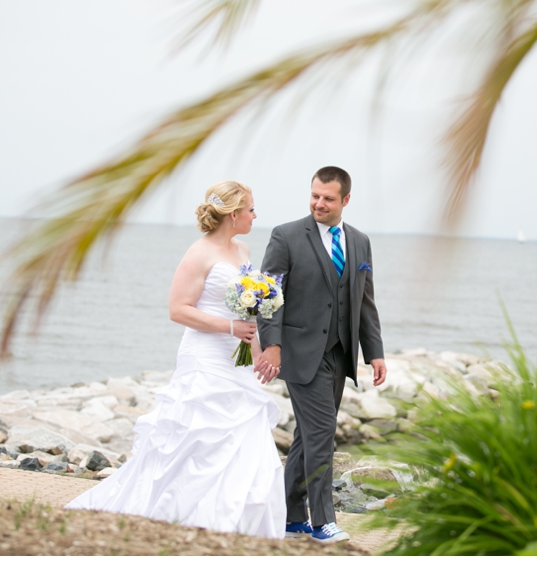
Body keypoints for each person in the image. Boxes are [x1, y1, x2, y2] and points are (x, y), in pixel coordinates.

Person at [65, 180, 286, 539]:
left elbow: (248, 314)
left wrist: (259, 350)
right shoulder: (198, 254)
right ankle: (179, 515)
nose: (255, 215)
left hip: (237, 360)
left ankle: (238, 526)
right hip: (205, 357)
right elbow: (177, 309)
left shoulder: (243, 249)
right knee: (198, 438)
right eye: (251, 209)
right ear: (234, 214)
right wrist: (228, 326)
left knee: (244, 439)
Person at [256, 166, 386, 544]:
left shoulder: (360, 242)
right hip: (299, 352)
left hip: (340, 354)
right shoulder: (286, 236)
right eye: (315, 195)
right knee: (322, 432)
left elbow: (365, 302)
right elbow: (268, 295)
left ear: (345, 200)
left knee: (308, 436)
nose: (319, 203)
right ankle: (321, 521)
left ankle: (291, 515)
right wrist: (273, 345)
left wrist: (374, 352)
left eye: (328, 198)